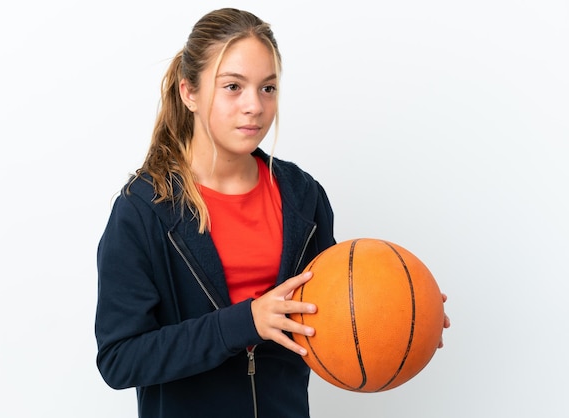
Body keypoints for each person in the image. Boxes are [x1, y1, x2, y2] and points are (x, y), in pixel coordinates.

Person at [95, 8, 449, 418]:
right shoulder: (143, 210)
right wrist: (247, 321)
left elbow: (331, 315)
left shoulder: (302, 196)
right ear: (188, 91)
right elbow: (120, 359)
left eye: (268, 88)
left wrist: (402, 316)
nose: (255, 106)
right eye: (233, 87)